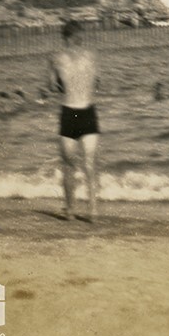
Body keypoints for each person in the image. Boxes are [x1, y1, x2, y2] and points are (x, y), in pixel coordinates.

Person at [47, 20, 101, 222]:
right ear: (80, 36)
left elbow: (52, 87)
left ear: (64, 37)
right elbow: (97, 83)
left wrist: (65, 83)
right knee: (90, 164)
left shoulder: (55, 58)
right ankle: (93, 211)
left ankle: (70, 210)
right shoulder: (91, 56)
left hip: (69, 112)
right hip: (88, 111)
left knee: (68, 165)